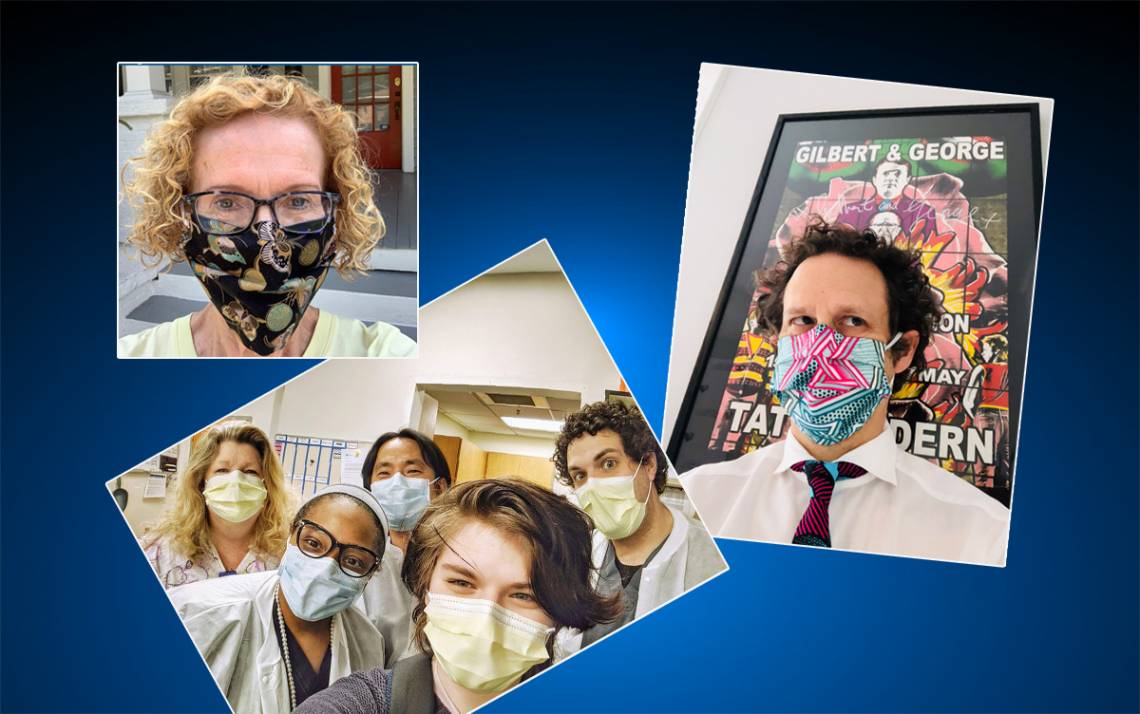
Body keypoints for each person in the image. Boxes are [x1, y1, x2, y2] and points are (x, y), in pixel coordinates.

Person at [680, 219, 1010, 566]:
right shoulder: (698, 503)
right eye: (803, 320)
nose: (820, 346)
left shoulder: (983, 536)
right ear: (779, 341)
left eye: (852, 321)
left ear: (902, 351)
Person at [118, 71, 416, 358]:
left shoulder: (384, 353)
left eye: (299, 201)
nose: (266, 237)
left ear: (337, 215)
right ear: (181, 214)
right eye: (226, 203)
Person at [294, 479, 622, 714]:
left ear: (560, 610)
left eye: (523, 595)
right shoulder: (365, 702)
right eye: (462, 583)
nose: (486, 617)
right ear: (425, 584)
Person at [168, 484, 392, 712]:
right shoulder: (199, 612)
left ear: (371, 573)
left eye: (353, 561)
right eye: (314, 544)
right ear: (291, 534)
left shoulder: (367, 642)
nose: (325, 569)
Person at [552, 401, 724, 652]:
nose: (593, 486)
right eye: (580, 475)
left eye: (608, 464)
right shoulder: (575, 556)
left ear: (649, 465)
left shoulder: (713, 557)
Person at [141, 421, 294, 588]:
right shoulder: (161, 553)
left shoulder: (289, 552)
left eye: (250, 472)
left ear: (267, 485)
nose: (236, 481)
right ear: (201, 482)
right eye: (222, 470)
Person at [354, 429, 454, 661]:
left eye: (412, 471)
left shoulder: (459, 559)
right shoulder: (360, 563)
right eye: (384, 473)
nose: (397, 482)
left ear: (439, 487)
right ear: (370, 490)